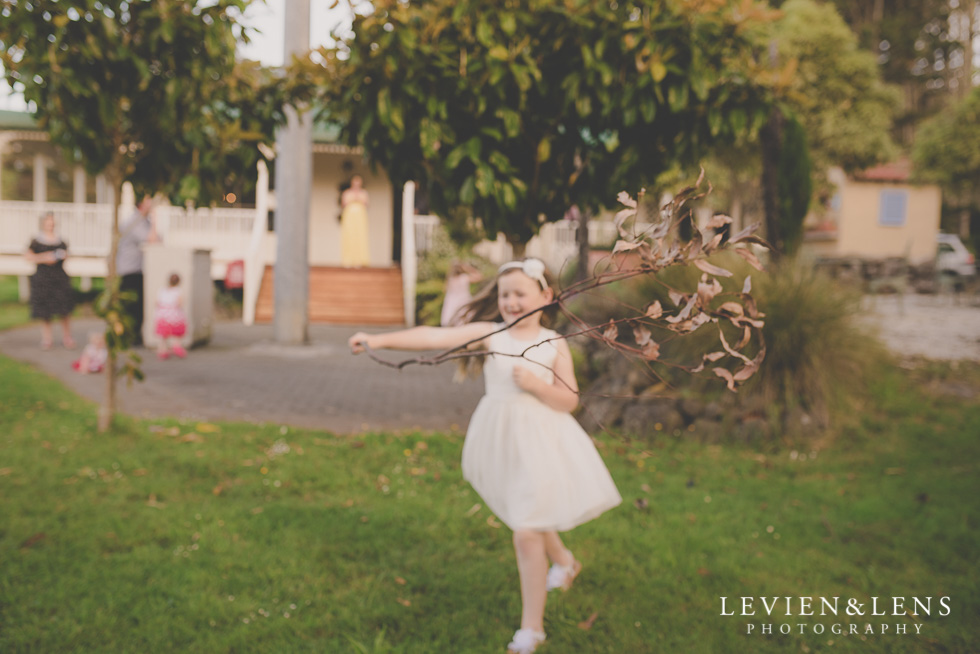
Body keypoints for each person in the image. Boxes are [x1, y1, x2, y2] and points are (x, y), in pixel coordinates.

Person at [349, 258, 622, 654]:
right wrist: (378, 340)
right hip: (500, 437)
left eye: (519, 294)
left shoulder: (554, 344)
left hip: (544, 438)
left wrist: (534, 385)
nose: (510, 301)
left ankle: (532, 629)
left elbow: (569, 400)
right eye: (504, 294)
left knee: (527, 528)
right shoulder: (492, 334)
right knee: (530, 507)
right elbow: (432, 337)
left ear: (545, 297)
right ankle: (564, 561)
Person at [25, 212, 76, 350]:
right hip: (43, 278)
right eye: (48, 222)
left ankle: (67, 337)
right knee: (45, 310)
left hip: (59, 277)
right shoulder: (36, 241)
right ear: (43, 223)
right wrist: (45, 258)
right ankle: (47, 338)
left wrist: (62, 257)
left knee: (63, 308)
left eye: (52, 222)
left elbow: (67, 254)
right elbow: (29, 256)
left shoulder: (61, 241)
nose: (51, 224)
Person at [116, 194, 159, 347]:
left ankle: (135, 337)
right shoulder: (134, 222)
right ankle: (127, 338)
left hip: (139, 270)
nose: (152, 204)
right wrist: (155, 219)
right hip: (130, 270)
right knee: (131, 308)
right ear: (141, 203)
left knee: (139, 307)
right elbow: (152, 240)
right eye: (149, 200)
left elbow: (159, 240)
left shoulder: (143, 221)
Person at [154, 272, 187, 360]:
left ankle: (162, 350)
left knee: (164, 334)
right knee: (176, 332)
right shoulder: (178, 291)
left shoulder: (162, 290)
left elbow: (157, 302)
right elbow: (180, 303)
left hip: (163, 313)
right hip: (174, 313)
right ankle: (176, 346)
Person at [340, 175, 370, 267]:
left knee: (360, 236)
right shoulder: (347, 193)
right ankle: (348, 260)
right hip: (350, 216)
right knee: (349, 236)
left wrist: (358, 198)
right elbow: (343, 203)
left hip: (360, 217)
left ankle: (360, 260)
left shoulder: (364, 193)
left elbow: (366, 203)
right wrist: (353, 199)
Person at [440, 260, 483, 326]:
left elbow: (445, 290)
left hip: (451, 303)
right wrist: (468, 268)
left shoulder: (450, 279)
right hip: (463, 301)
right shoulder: (464, 277)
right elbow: (479, 277)